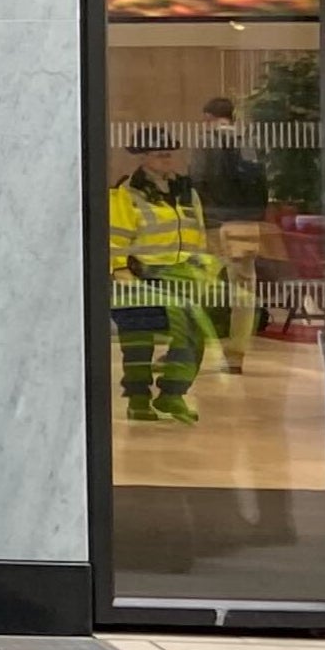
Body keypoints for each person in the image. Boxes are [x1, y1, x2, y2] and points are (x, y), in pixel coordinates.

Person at [107, 124, 217, 424]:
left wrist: (202, 267)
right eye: (159, 155)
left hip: (183, 276)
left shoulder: (185, 192)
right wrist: (119, 271)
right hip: (141, 276)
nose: (166, 160)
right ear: (143, 158)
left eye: (169, 154)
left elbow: (199, 233)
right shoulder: (126, 194)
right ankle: (138, 398)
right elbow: (115, 237)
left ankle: (172, 394)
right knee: (138, 340)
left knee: (193, 336)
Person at [191, 94, 269, 375]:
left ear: (209, 117)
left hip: (217, 222)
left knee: (202, 285)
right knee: (244, 290)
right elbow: (262, 184)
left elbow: (198, 181)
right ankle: (236, 356)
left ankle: (190, 350)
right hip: (247, 223)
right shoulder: (248, 142)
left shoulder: (207, 143)